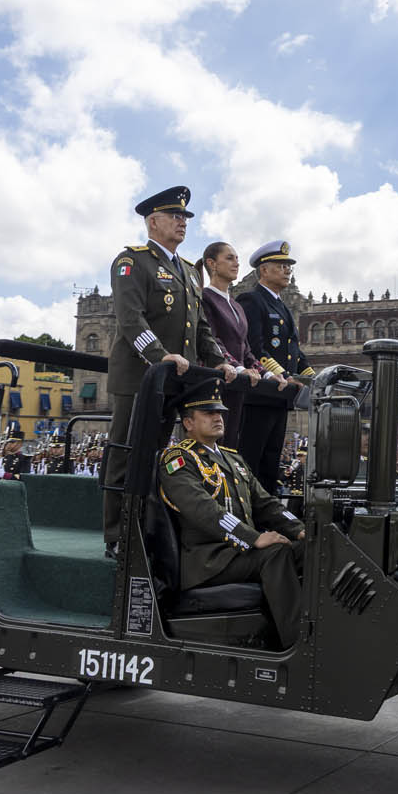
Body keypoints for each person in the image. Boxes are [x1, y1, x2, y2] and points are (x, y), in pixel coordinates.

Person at [103, 186, 235, 556]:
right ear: (153, 221)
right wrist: (159, 355)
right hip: (139, 376)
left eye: (185, 218)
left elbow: (201, 327)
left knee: (161, 455)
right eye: (175, 216)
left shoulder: (191, 273)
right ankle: (116, 535)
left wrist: (218, 359)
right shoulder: (132, 261)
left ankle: (147, 526)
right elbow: (130, 319)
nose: (182, 223)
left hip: (176, 381)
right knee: (126, 453)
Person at [157, 382, 305, 648]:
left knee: (311, 549)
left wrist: (300, 529)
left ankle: (326, 628)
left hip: (239, 555)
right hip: (210, 560)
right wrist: (252, 538)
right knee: (275, 553)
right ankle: (297, 644)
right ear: (188, 423)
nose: (218, 418)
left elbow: (267, 504)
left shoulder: (232, 459)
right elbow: (202, 509)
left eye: (220, 413)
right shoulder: (178, 460)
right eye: (209, 414)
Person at [237, 241, 316, 496]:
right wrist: (280, 375)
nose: (287, 270)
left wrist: (314, 378)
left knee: (271, 462)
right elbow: (255, 348)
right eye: (281, 266)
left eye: (288, 266)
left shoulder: (283, 307)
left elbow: (295, 352)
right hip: (261, 393)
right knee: (251, 461)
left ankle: (266, 519)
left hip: (282, 396)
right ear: (264, 270)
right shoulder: (252, 300)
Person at [196, 241, 281, 448]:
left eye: (237, 259)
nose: (236, 263)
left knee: (230, 445)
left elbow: (247, 349)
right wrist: (240, 368)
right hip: (215, 384)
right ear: (212, 264)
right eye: (229, 258)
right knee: (211, 444)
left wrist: (267, 373)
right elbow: (212, 341)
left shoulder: (236, 305)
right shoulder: (205, 298)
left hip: (237, 388)